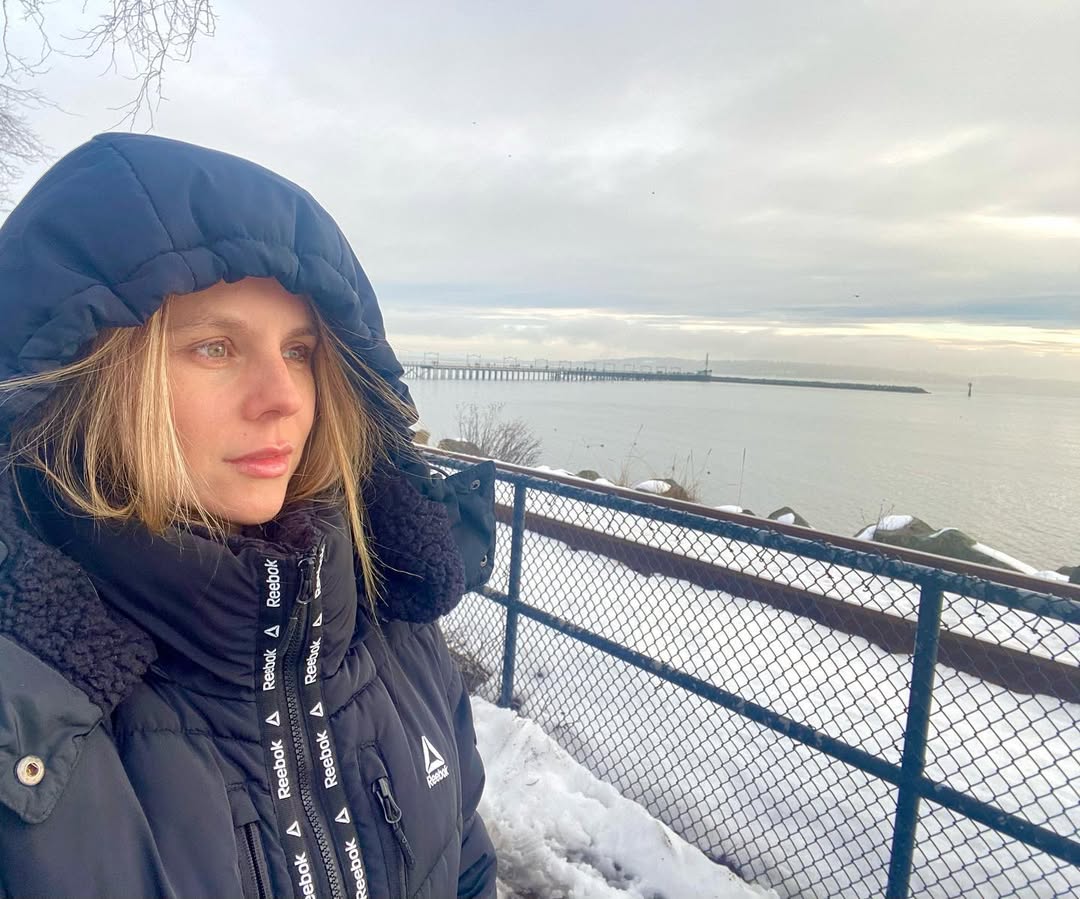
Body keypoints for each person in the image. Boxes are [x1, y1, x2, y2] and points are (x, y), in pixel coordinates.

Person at [0, 133, 498, 898]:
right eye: (216, 347)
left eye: (299, 351)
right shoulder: (25, 720)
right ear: (94, 379)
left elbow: (466, 867)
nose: (284, 397)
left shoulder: (392, 620)